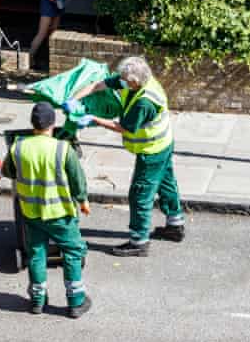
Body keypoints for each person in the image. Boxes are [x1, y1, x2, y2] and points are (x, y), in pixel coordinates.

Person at [64, 56, 185, 257]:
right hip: (164, 142)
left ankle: (139, 241)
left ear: (134, 81)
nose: (121, 82)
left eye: (125, 80)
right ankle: (175, 225)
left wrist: (92, 119)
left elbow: (124, 128)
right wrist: (73, 99)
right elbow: (98, 84)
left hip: (152, 151)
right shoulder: (139, 80)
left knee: (140, 195)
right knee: (166, 183)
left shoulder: (144, 103)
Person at [2, 102, 92, 318]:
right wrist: (82, 201)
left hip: (32, 213)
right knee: (72, 251)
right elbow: (78, 181)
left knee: (36, 254)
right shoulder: (63, 149)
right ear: (53, 124)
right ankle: (76, 301)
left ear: (32, 124)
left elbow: (7, 171)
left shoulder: (18, 147)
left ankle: (37, 300)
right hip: (60, 213)